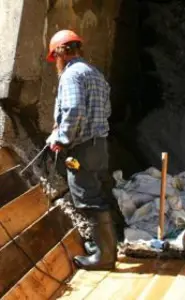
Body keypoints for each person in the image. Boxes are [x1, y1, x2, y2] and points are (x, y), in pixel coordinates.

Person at [45, 29, 117, 270]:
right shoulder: (95, 73)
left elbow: (74, 110)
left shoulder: (71, 75)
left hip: (83, 149)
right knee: (96, 194)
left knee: (87, 200)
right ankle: (103, 248)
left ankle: (105, 258)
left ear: (60, 53)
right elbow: (105, 110)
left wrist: (62, 138)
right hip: (99, 146)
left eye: (55, 56)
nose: (56, 62)